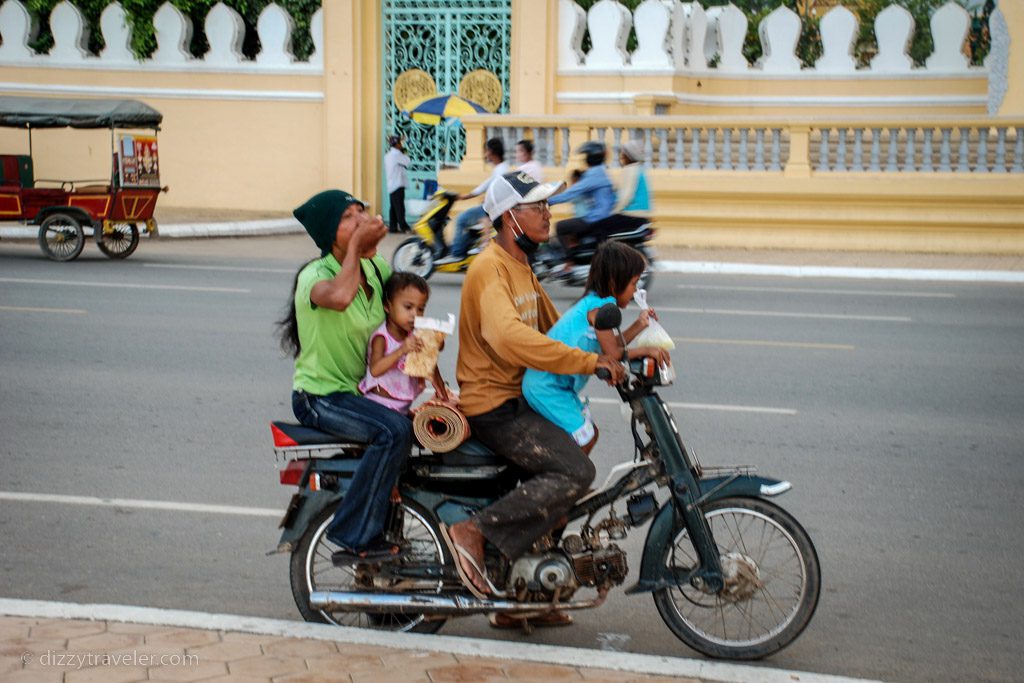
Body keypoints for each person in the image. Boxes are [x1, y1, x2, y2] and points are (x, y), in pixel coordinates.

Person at [442, 171, 625, 619]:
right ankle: (473, 531)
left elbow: (558, 329)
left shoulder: (522, 266)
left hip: (521, 395)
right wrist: (587, 363)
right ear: (510, 218)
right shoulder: (490, 268)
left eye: (548, 206)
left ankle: (521, 594)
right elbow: (508, 338)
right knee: (574, 471)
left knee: (576, 453)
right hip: (495, 404)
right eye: (537, 207)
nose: (548, 215)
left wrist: (619, 353)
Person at [277, 189, 412, 566]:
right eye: (348, 217)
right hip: (321, 397)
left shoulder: (376, 269)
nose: (360, 220)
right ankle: (353, 534)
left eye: (361, 212)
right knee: (392, 433)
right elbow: (338, 297)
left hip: (363, 394)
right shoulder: (314, 276)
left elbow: (401, 317)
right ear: (328, 233)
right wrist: (356, 246)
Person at [523, 241, 670, 454]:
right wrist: (648, 350)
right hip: (546, 388)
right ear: (613, 282)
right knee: (586, 438)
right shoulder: (599, 307)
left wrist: (640, 324)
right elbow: (614, 354)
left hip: (556, 386)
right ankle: (571, 483)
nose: (636, 291)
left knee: (592, 433)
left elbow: (611, 346)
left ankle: (575, 482)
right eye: (634, 284)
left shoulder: (597, 304)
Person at [359, 271, 449, 414]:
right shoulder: (382, 337)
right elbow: (375, 370)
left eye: (420, 309)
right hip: (379, 405)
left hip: (403, 407)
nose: (415, 314)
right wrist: (402, 350)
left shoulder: (414, 334)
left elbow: (430, 360)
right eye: (408, 307)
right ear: (388, 306)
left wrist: (436, 342)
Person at [435, 137, 509, 265]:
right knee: (469, 225)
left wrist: (483, 198)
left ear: (492, 152)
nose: (485, 154)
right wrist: (465, 196)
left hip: (490, 209)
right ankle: (465, 249)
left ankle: (456, 254)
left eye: (486, 151)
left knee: (461, 219)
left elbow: (496, 188)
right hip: (492, 207)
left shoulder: (500, 171)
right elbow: (485, 185)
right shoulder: (501, 168)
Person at [547, 140, 616, 254]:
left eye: (587, 156)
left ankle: (569, 263)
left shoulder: (594, 174)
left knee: (560, 227)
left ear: (590, 158)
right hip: (603, 218)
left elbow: (570, 193)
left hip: (595, 219)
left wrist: (547, 201)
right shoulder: (602, 172)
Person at [612, 139, 652, 224]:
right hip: (644, 212)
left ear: (629, 156)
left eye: (623, 154)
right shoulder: (640, 169)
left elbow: (626, 195)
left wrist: (614, 211)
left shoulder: (630, 170)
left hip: (632, 213)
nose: (621, 157)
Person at [384, 135, 411, 233]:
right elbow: (408, 162)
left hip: (392, 183)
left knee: (393, 207)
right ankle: (404, 227)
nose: (401, 145)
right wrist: (405, 152)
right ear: (396, 145)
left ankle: (393, 227)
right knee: (399, 207)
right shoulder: (397, 155)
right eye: (400, 143)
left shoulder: (388, 155)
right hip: (397, 183)